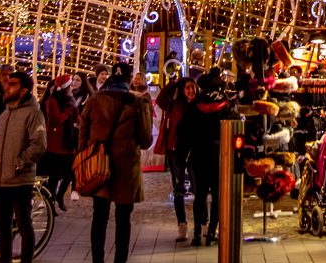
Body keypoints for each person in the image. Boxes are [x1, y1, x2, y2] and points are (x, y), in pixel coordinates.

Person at [79, 62, 151, 263]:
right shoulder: (138, 104)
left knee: (99, 216)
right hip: (126, 168)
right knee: (123, 218)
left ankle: (97, 260)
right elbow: (146, 141)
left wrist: (85, 156)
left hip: (98, 164)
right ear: (129, 80)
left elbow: (82, 136)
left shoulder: (94, 101)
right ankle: (120, 260)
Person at [0, 71, 46, 263]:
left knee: (24, 225)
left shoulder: (33, 113)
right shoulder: (5, 115)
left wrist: (19, 163)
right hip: (1, 181)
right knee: (3, 228)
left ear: (23, 90)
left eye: (12, 84)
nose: (7, 87)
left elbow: (39, 144)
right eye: (7, 83)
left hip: (20, 180)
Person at [178, 68, 236, 247]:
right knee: (218, 195)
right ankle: (212, 231)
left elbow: (184, 133)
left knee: (200, 195)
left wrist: (181, 157)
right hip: (220, 156)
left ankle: (197, 232)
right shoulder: (226, 104)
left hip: (198, 155)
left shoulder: (195, 104)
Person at [155, 77, 196, 241]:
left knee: (197, 187)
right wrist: (174, 82)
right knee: (178, 188)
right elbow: (160, 99)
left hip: (194, 150)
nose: (191, 91)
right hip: (175, 149)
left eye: (192, 87)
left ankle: (202, 223)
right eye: (187, 88)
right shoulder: (174, 104)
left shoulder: (199, 105)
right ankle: (182, 224)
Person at [43, 74, 79, 211]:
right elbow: (58, 119)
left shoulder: (70, 101)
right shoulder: (52, 101)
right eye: (70, 85)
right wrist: (69, 111)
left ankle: (59, 195)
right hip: (55, 143)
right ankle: (50, 203)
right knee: (54, 176)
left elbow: (76, 118)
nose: (72, 88)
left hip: (68, 142)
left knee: (71, 172)